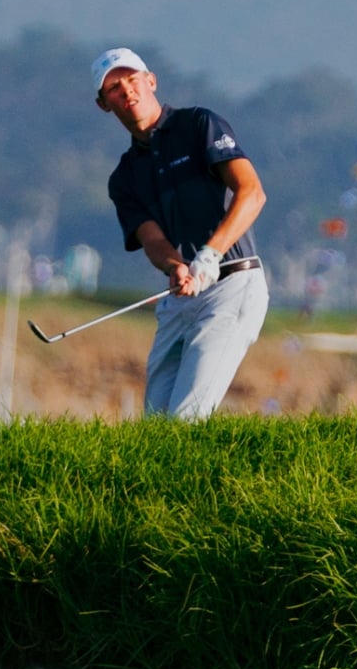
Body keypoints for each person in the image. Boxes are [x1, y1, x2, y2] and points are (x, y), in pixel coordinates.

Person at [93, 47, 269, 419]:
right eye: (114, 88)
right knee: (157, 426)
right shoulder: (123, 178)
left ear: (151, 81)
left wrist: (210, 255)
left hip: (232, 284)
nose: (127, 91)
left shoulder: (199, 125)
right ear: (104, 104)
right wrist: (175, 266)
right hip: (180, 299)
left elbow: (252, 193)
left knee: (185, 419)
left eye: (133, 79)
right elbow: (153, 240)